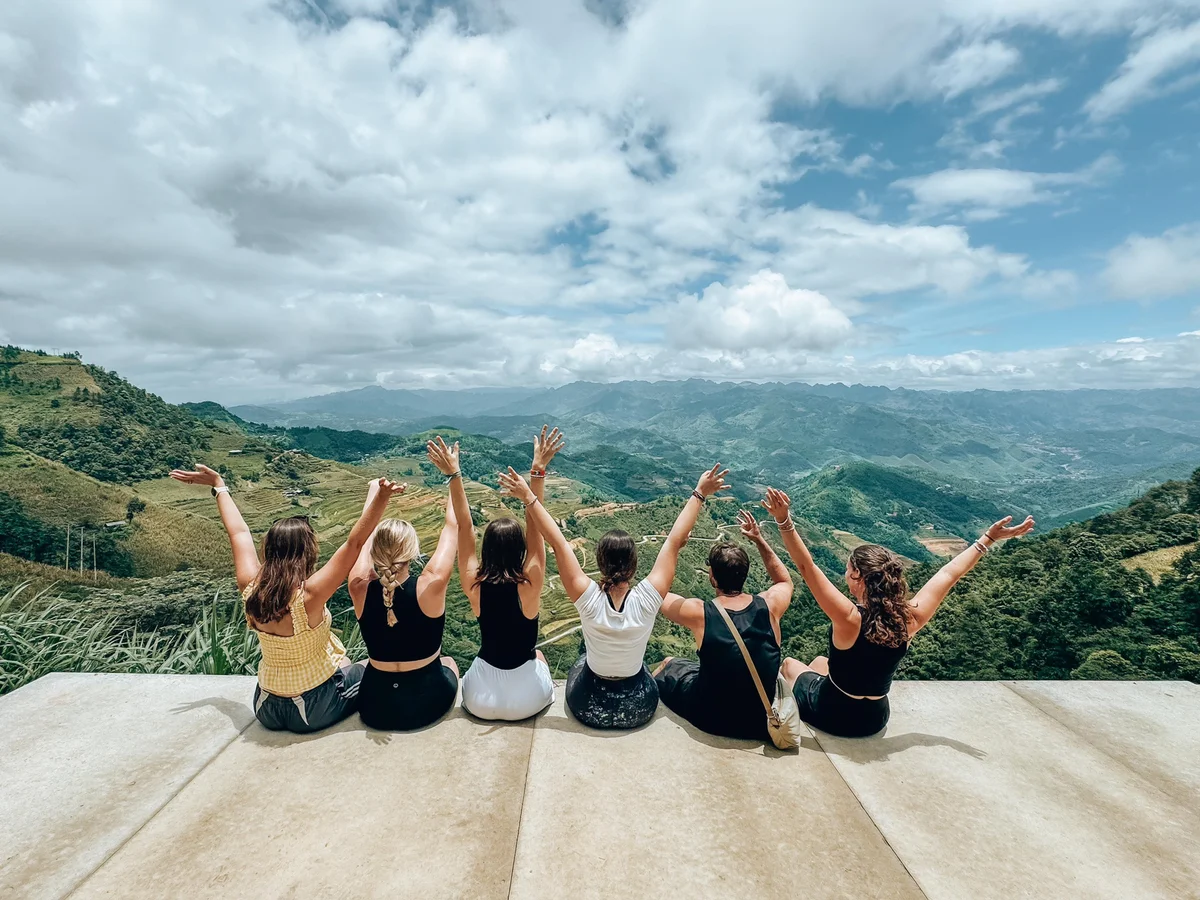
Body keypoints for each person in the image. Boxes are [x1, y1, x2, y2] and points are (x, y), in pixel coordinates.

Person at [766, 487, 1035, 737]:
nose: (846, 575)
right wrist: (987, 539)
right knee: (819, 662)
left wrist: (783, 521)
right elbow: (949, 574)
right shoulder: (909, 619)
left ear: (858, 575)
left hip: (834, 714)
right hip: (874, 719)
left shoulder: (848, 617)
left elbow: (807, 567)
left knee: (790, 665)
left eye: (849, 570)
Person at [168, 463, 403, 734]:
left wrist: (219, 486)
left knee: (343, 664)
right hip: (311, 709)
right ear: (307, 553)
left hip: (266, 706)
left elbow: (239, 532)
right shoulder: (308, 597)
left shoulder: (251, 586)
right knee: (369, 668)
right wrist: (381, 497)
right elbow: (354, 543)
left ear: (270, 549)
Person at [499, 463, 730, 730]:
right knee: (641, 667)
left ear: (600, 562)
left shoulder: (587, 597)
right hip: (638, 707)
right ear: (633, 565)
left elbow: (558, 542)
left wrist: (528, 496)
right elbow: (674, 541)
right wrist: (699, 493)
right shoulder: (648, 598)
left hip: (588, 705)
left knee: (583, 662)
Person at [347, 440, 465, 731]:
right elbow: (454, 525)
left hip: (374, 705)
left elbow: (357, 541)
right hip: (426, 705)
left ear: (375, 552)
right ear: (413, 552)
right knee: (449, 662)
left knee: (363, 663)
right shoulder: (431, 584)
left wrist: (375, 496)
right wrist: (454, 474)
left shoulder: (359, 585)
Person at [653, 510, 794, 741]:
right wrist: (759, 539)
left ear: (713, 578)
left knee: (669, 664)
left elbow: (656, 594)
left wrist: (675, 545)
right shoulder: (770, 608)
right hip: (758, 722)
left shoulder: (700, 613)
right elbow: (784, 581)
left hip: (710, 718)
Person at [453, 426, 563, 720]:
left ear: (486, 550)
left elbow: (464, 528)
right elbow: (537, 531)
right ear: (520, 552)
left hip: (479, 699)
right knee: (538, 656)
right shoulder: (530, 583)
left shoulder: (474, 584)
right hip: (528, 699)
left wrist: (454, 475)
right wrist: (536, 474)